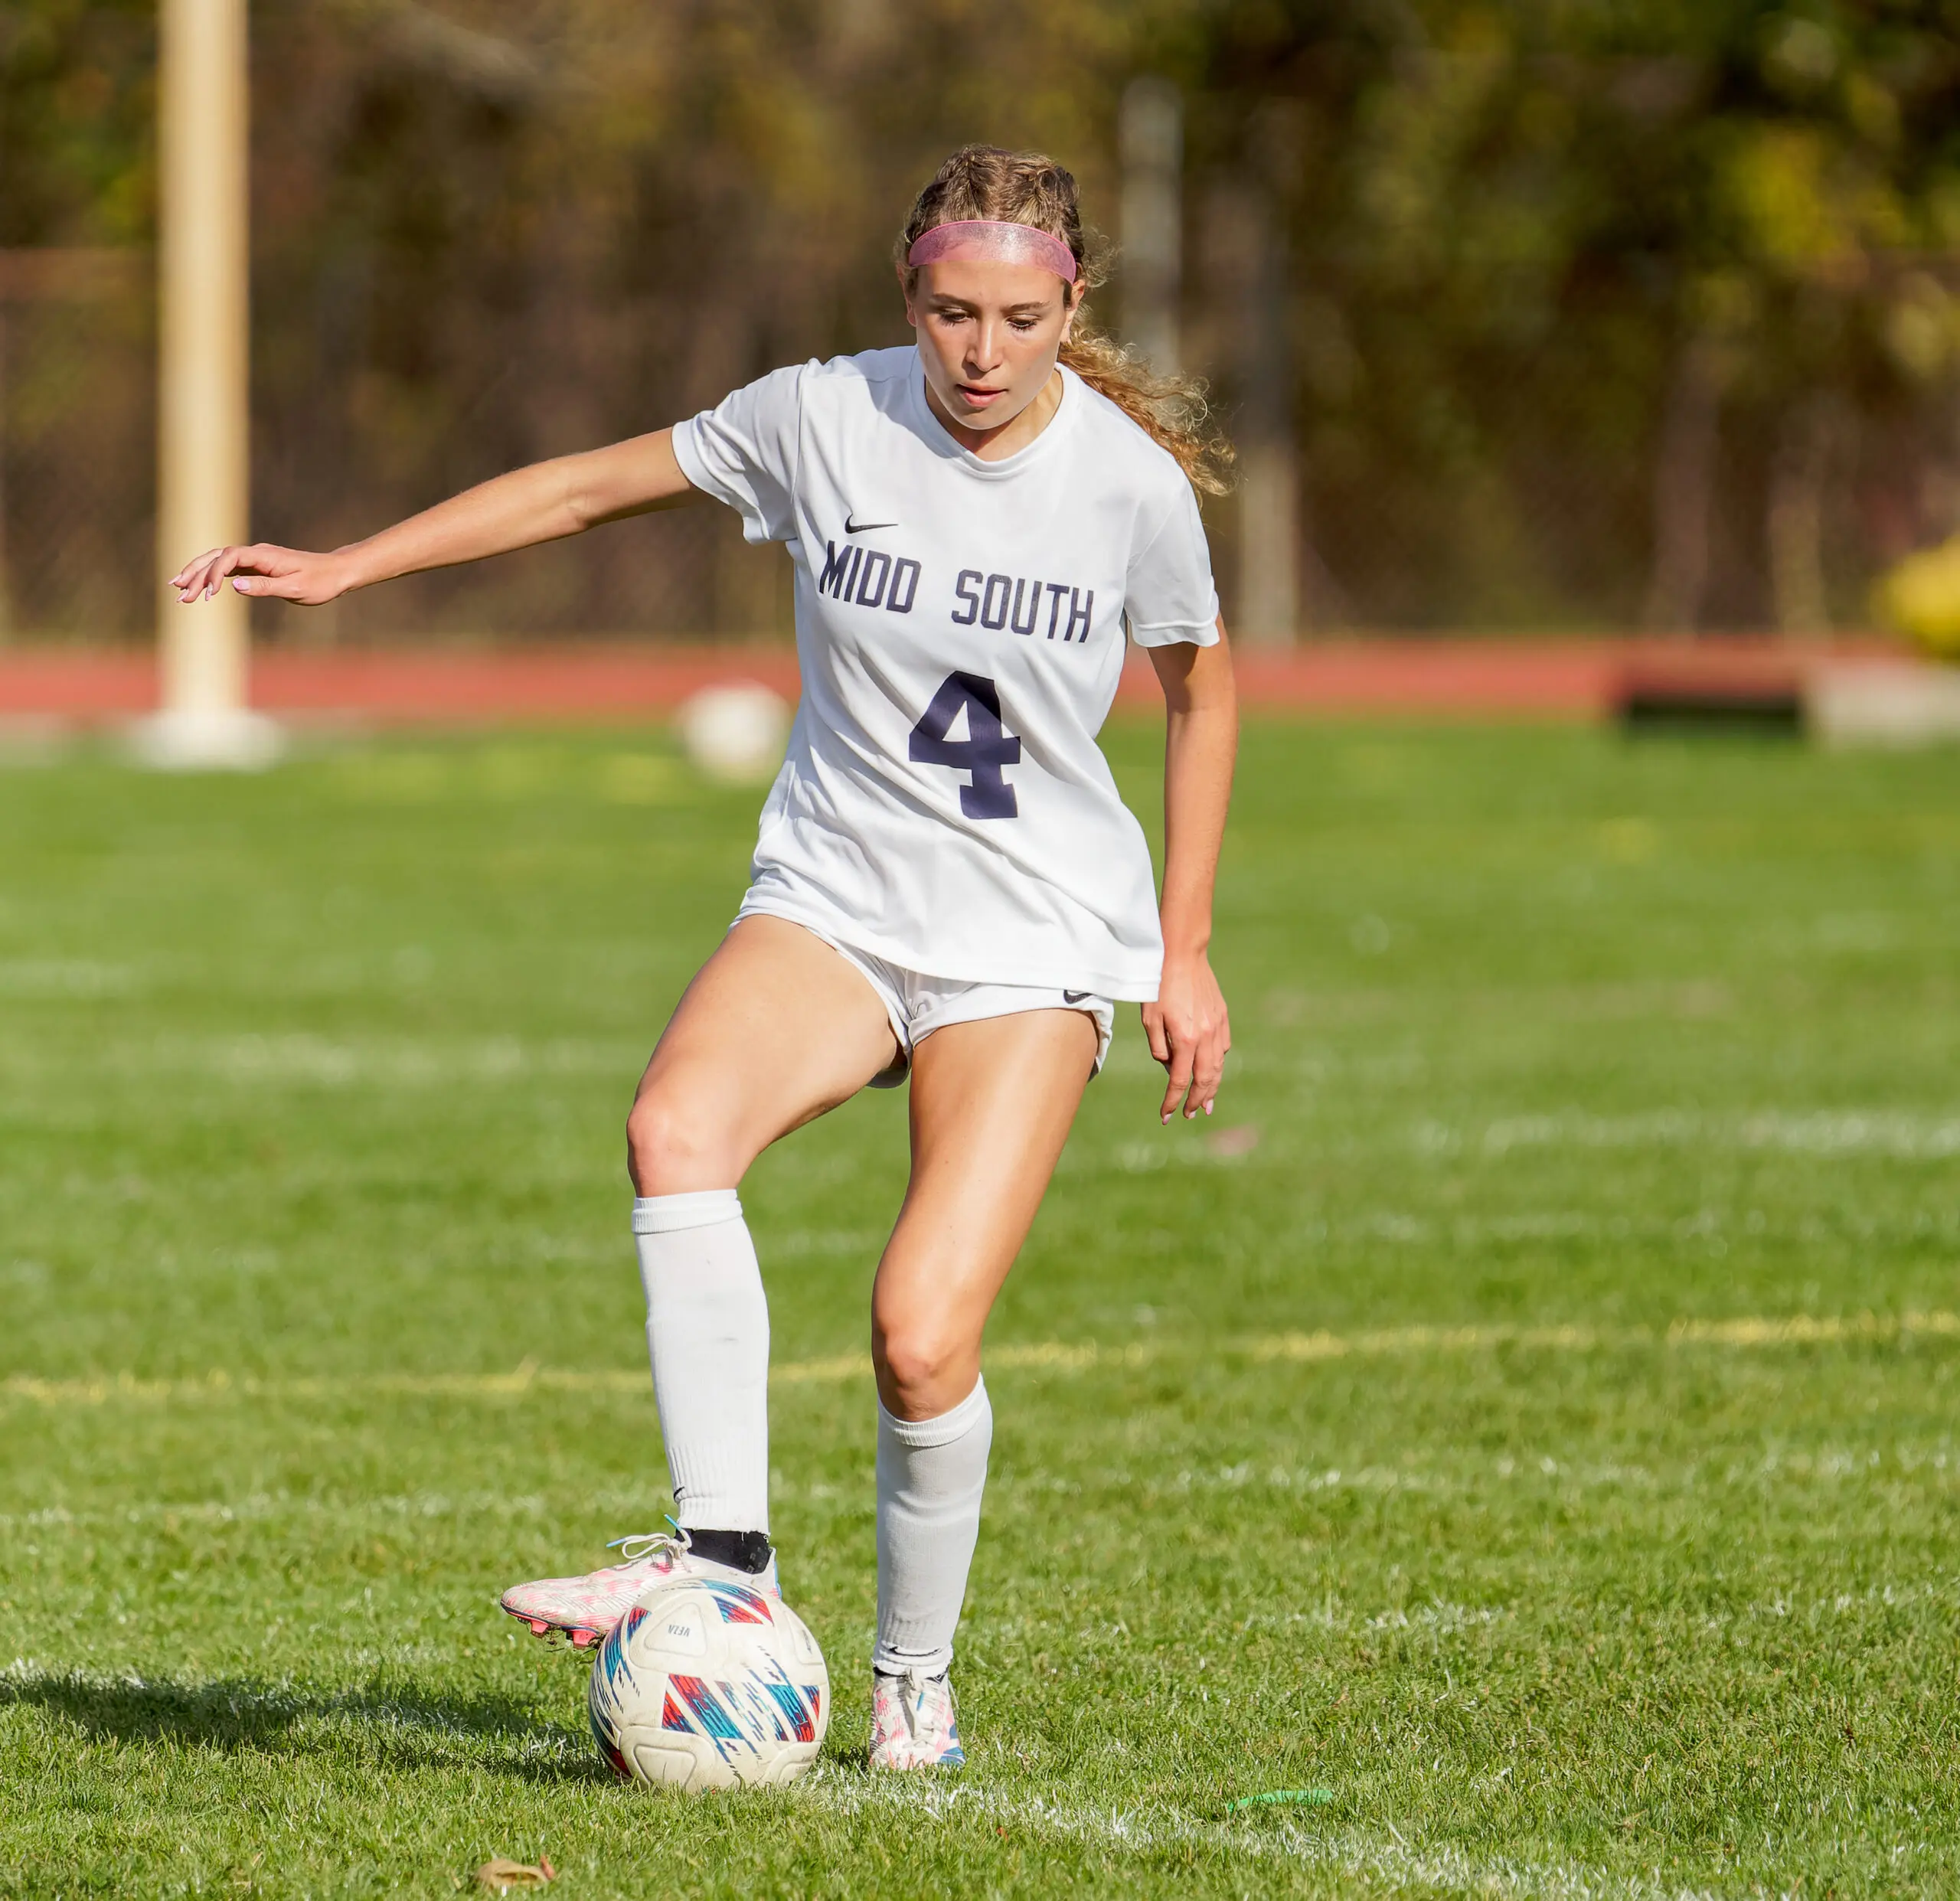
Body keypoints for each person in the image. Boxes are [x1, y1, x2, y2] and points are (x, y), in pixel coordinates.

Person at [172, 145, 1237, 1772]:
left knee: (917, 1333)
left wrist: (1187, 949)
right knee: (673, 1128)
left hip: (1028, 931)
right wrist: (345, 567)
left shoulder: (1127, 489)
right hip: (837, 896)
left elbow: (1199, 690)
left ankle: (909, 1679)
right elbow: (587, 485)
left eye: (1019, 318)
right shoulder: (821, 415)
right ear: (908, 297)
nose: (980, 352)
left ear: (1068, 304)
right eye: (951, 313)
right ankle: (722, 1556)